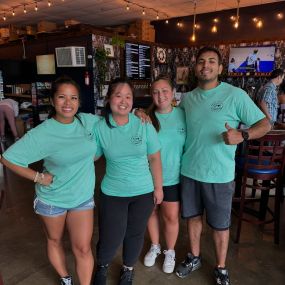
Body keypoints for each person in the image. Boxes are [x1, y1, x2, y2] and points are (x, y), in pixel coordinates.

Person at [175, 47, 271, 285]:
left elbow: (265, 124)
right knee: (193, 218)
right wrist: (144, 114)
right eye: (200, 61)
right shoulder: (189, 99)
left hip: (219, 175)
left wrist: (243, 135)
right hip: (189, 171)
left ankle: (221, 267)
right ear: (195, 68)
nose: (204, 65)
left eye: (211, 61)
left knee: (220, 225)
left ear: (219, 68)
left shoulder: (235, 95)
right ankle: (194, 256)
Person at [0, 76, 100, 285]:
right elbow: (7, 158)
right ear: (53, 101)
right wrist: (38, 177)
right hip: (52, 199)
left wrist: (140, 113)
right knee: (54, 240)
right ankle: (65, 278)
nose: (68, 103)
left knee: (83, 248)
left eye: (73, 98)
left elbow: (114, 121)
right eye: (62, 97)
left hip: (81, 197)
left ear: (79, 102)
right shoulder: (42, 133)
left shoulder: (87, 121)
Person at [93, 78, 163, 285]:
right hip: (113, 192)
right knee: (110, 235)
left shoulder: (143, 123)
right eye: (118, 95)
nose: (123, 101)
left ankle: (128, 269)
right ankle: (102, 266)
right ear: (108, 99)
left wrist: (158, 187)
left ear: (133, 101)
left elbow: (154, 158)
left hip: (143, 192)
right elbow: (92, 156)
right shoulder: (99, 128)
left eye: (128, 97)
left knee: (135, 233)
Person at [143, 76, 186, 273]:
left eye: (165, 91)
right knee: (150, 212)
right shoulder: (145, 118)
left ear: (173, 92)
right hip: (147, 177)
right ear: (151, 95)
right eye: (156, 92)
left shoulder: (184, 115)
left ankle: (170, 251)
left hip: (173, 177)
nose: (161, 96)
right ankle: (155, 246)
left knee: (170, 217)